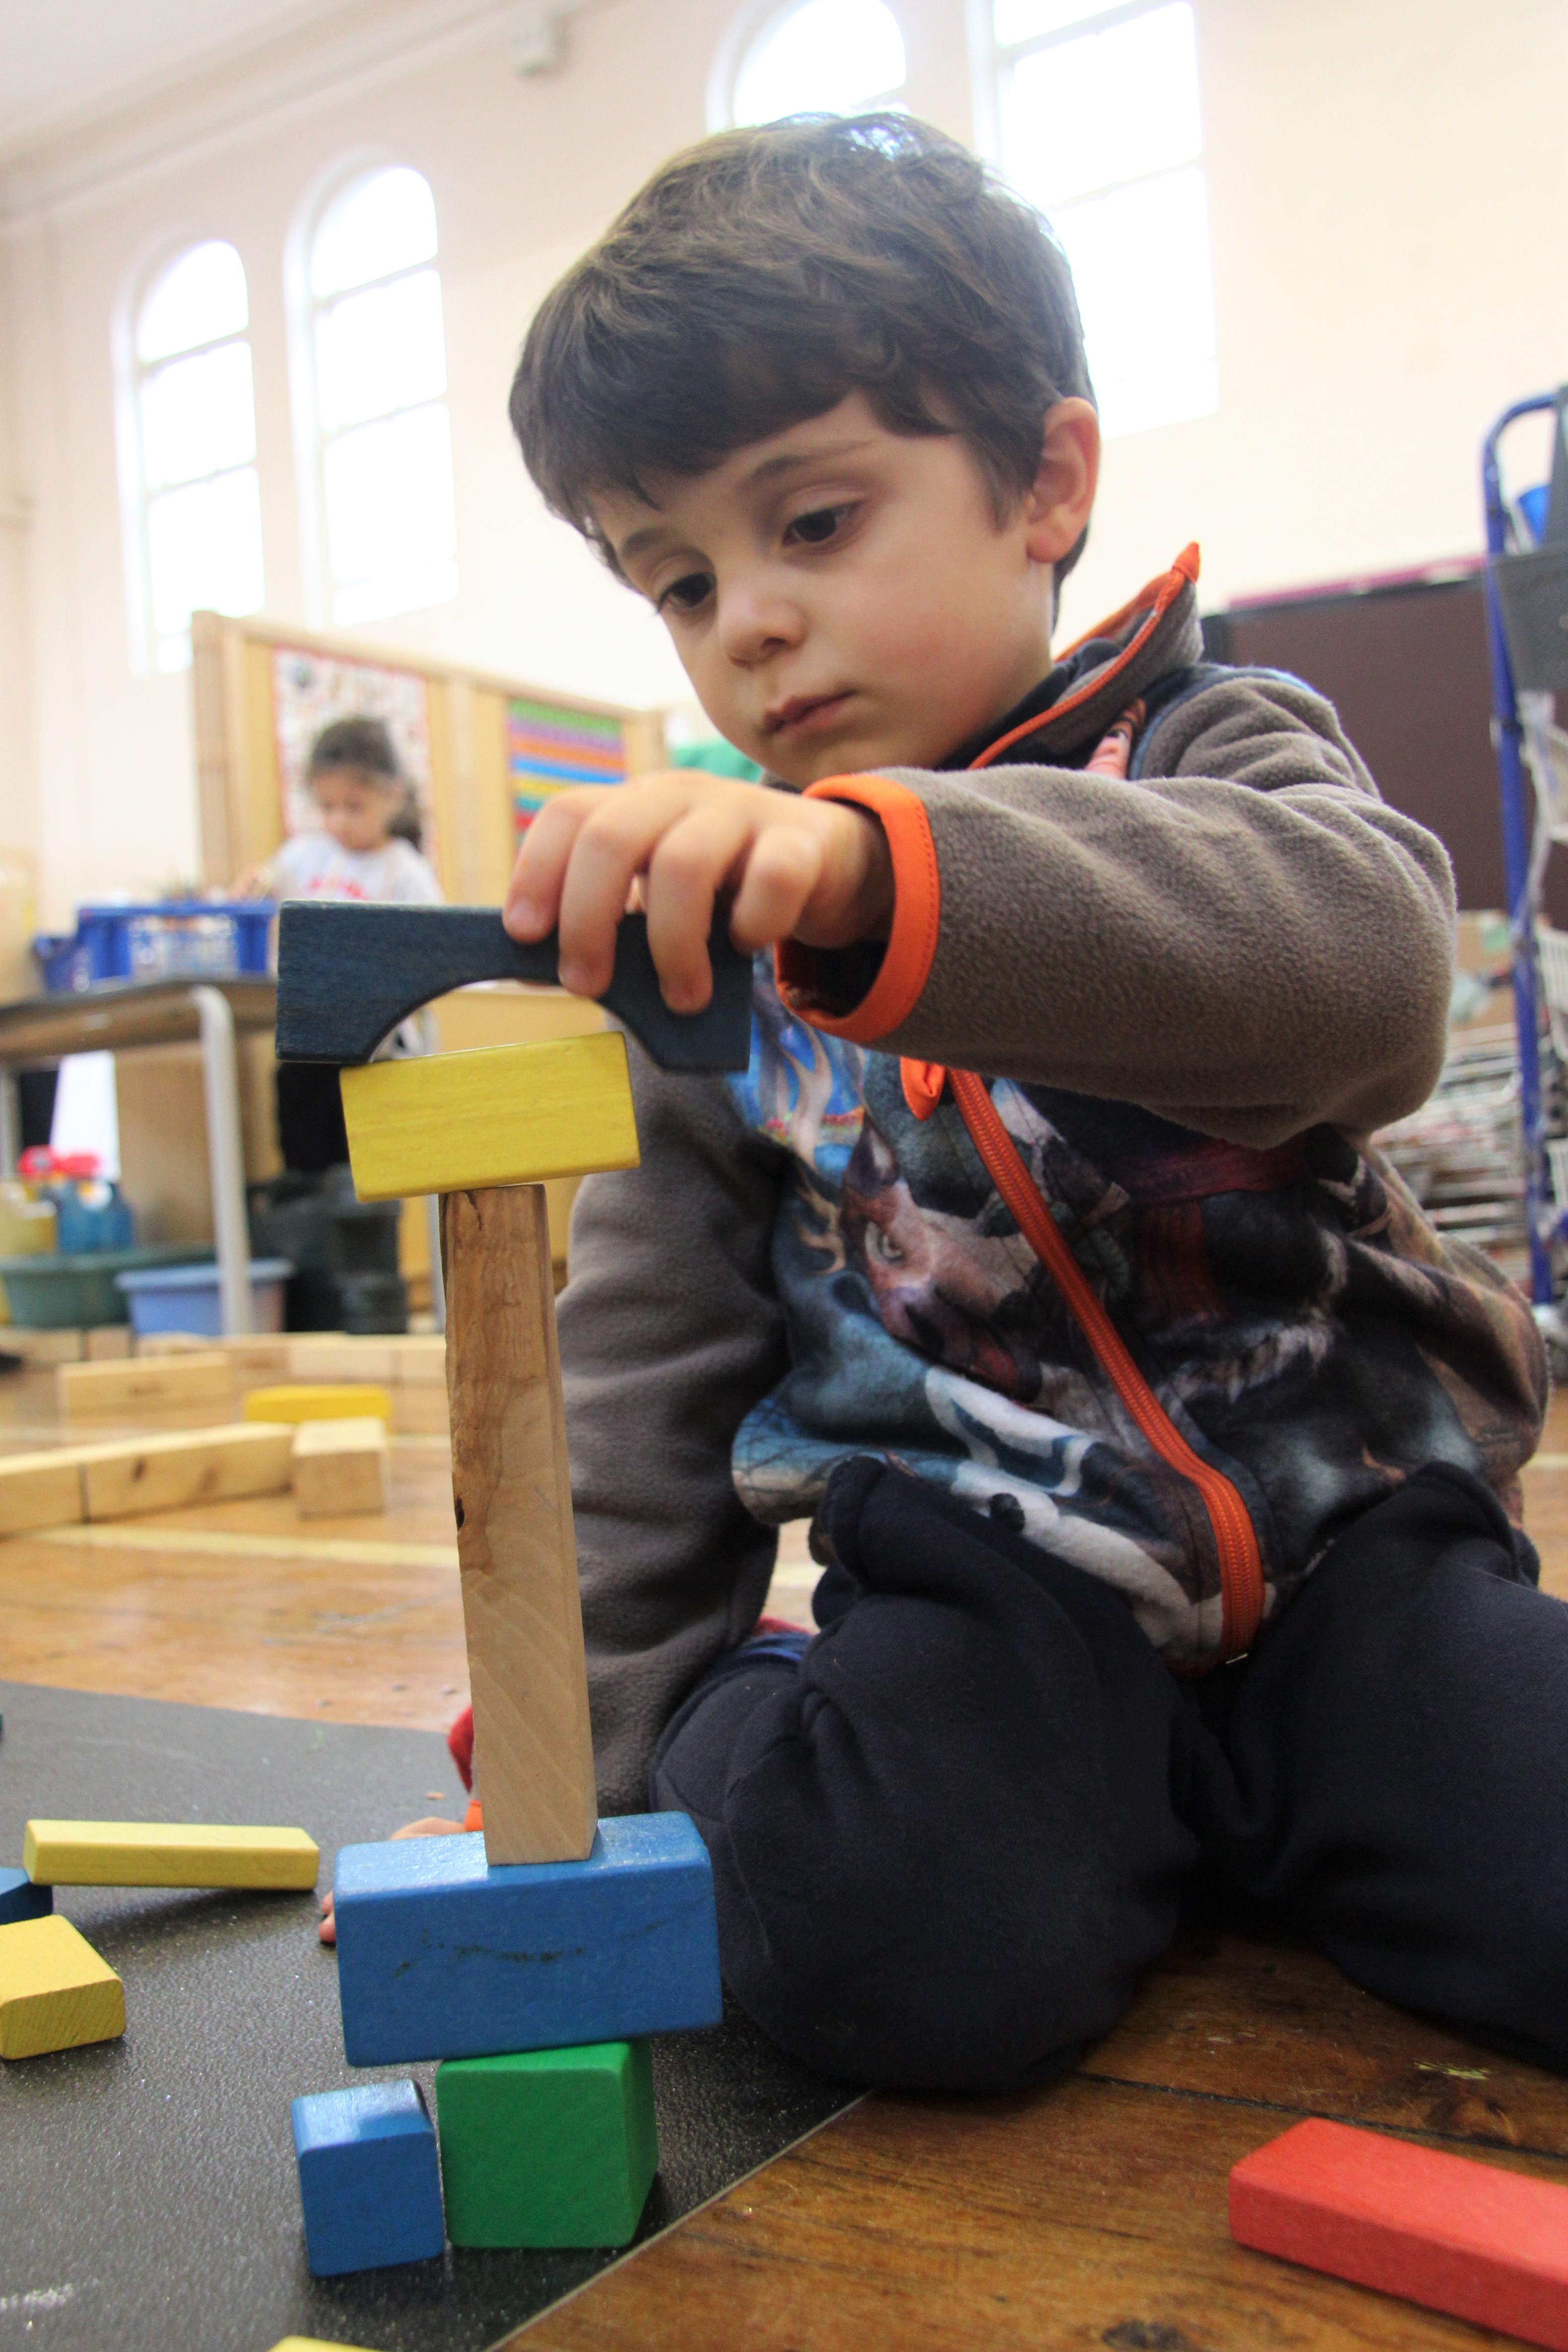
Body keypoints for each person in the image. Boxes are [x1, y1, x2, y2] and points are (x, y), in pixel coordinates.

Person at [335, 115, 1564, 2098]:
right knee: (877, 1940)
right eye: (678, 580)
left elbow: (1369, 982)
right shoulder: (704, 964)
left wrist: (883, 878)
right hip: (995, 1599)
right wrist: (573, 1788)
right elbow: (639, 1382)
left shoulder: (1213, 737)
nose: (747, 619)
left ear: (1044, 485)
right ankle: (800, 1733)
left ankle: (1239, 1825)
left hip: (1362, 1560)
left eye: (813, 523)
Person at [251, 716, 441, 1172]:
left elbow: (432, 950)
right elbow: (263, 888)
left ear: (392, 796)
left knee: (362, 1165)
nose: (338, 821)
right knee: (302, 1139)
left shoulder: (404, 870)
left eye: (354, 808)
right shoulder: (305, 855)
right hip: (306, 1039)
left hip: (373, 1048)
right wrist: (254, 883)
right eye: (327, 807)